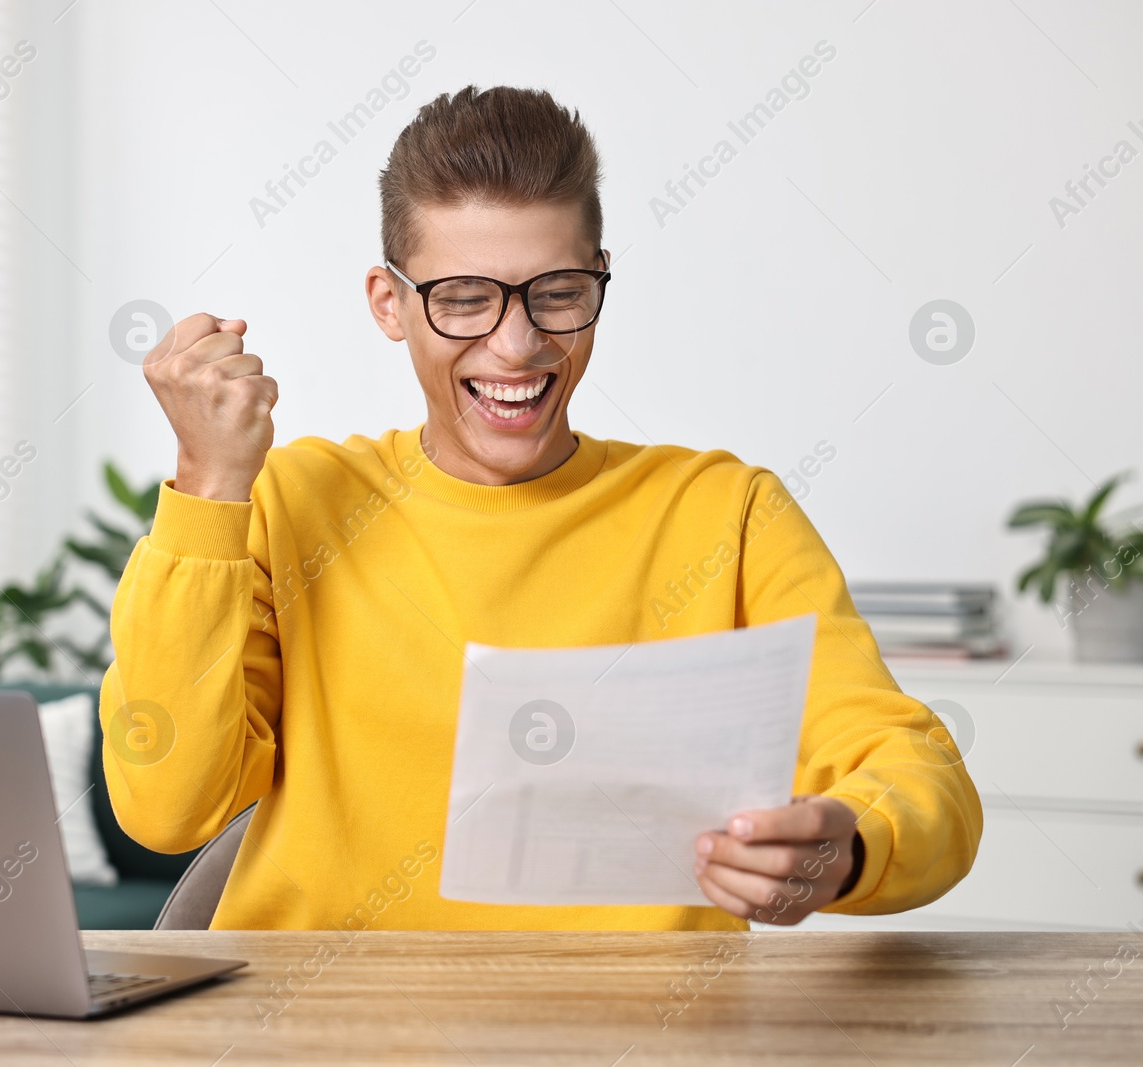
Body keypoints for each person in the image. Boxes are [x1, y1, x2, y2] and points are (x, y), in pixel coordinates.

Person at [99, 84, 982, 931]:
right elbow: (170, 807)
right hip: (322, 1028)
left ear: (599, 279)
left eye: (556, 292)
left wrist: (851, 849)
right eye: (463, 299)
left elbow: (916, 770)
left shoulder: (724, 514)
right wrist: (207, 487)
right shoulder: (289, 502)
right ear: (390, 305)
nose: (516, 345)